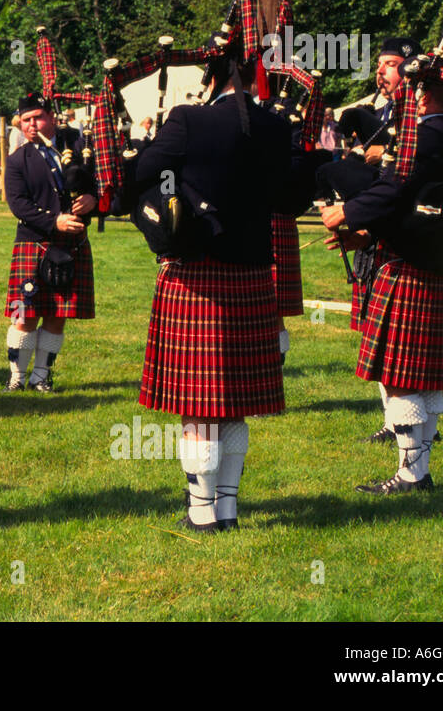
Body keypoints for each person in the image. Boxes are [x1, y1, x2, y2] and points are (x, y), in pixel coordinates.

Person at [134, 43, 297, 533]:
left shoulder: (187, 120)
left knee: (199, 406)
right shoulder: (275, 126)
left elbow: (139, 176)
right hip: (251, 275)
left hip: (197, 275)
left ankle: (200, 512)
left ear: (214, 77)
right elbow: (288, 194)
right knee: (234, 404)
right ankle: (227, 508)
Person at [321, 71, 443, 496]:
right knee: (423, 377)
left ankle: (411, 475)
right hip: (425, 256)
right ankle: (417, 471)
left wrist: (348, 211)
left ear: (422, 99)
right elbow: (416, 203)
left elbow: (394, 189)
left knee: (403, 377)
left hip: (406, 264)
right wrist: (366, 234)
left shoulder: (424, 137)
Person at [2, 94, 98, 394]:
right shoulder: (18, 159)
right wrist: (53, 221)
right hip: (34, 242)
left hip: (72, 244)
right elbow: (18, 204)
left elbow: (101, 186)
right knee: (24, 314)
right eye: (26, 120)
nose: (32, 125)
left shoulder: (79, 149)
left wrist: (94, 201)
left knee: (58, 314)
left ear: (51, 117)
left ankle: (40, 376)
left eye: (38, 117)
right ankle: (16, 377)